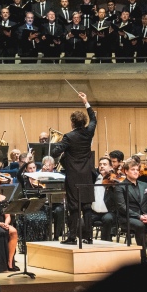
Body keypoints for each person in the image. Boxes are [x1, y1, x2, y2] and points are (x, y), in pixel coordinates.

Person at [52, 92, 97, 245]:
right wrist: (86, 102)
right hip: (87, 174)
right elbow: (94, 119)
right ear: (83, 121)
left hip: (73, 176)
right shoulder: (89, 132)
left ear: (72, 122)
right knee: (87, 206)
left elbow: (55, 152)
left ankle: (72, 237)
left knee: (74, 207)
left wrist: (60, 149)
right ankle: (89, 237)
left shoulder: (69, 137)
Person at [111, 158, 147, 262]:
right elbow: (122, 207)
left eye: (137, 169)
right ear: (126, 171)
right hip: (127, 217)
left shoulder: (144, 185)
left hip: (145, 216)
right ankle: (143, 257)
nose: (136, 171)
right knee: (139, 225)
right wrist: (139, 216)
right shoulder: (120, 186)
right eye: (133, 169)